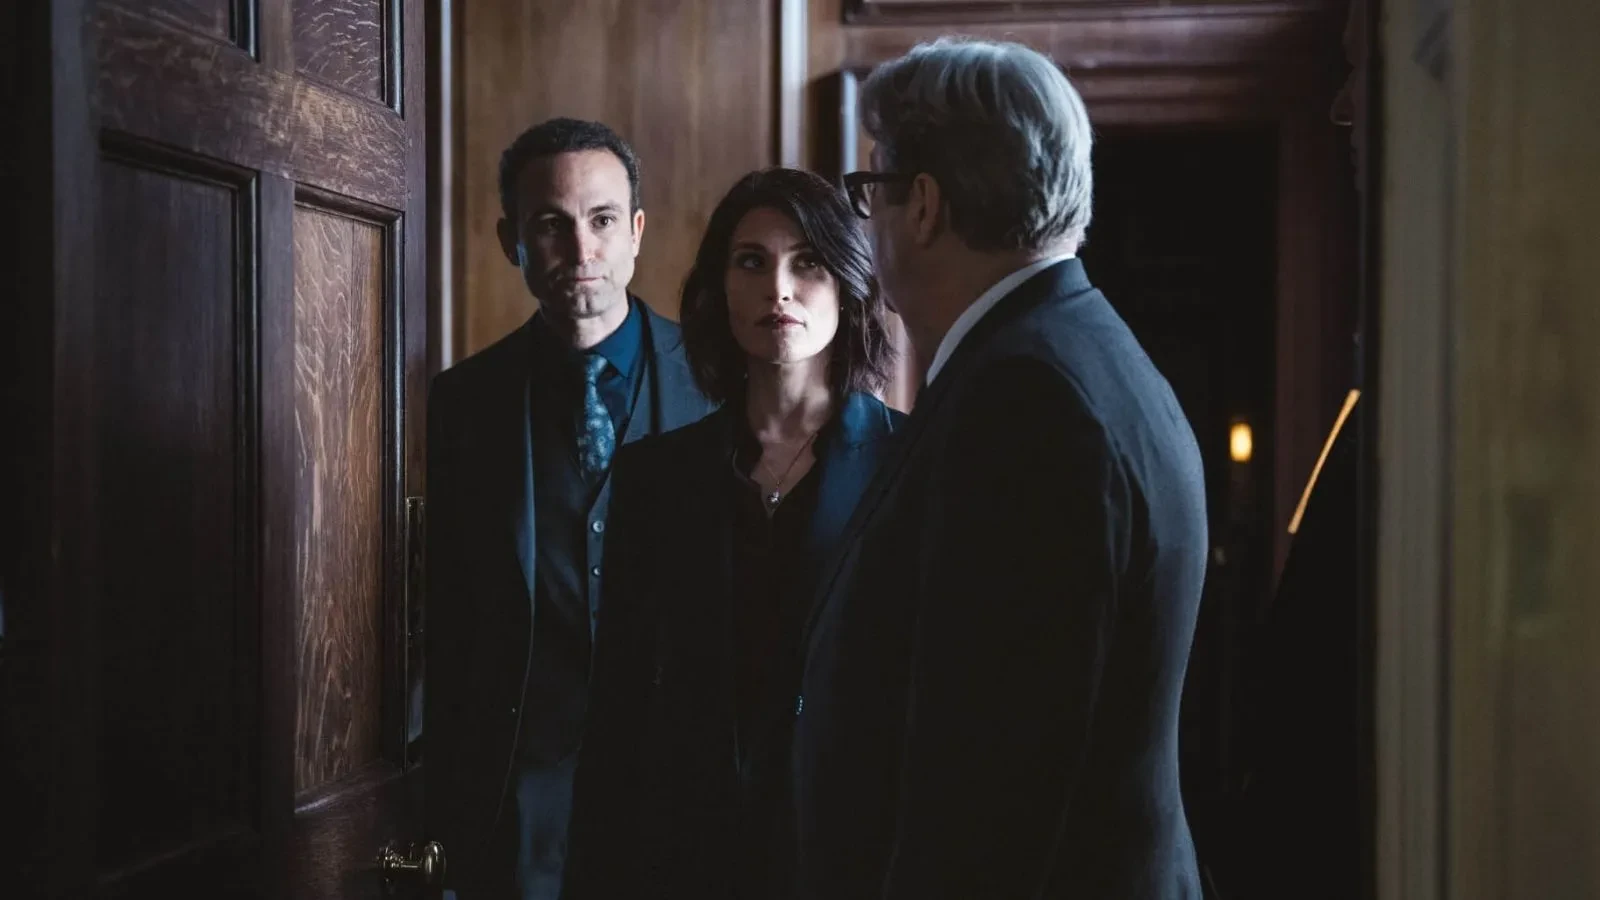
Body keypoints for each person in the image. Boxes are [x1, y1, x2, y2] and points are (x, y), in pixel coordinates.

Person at [794, 39, 1210, 898]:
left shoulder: (1026, 399)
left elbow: (986, 791)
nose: (867, 224)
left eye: (870, 191)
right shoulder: (1082, 351)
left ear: (923, 206)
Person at [563, 168, 904, 900]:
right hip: (688, 858)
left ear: (847, 283)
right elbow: (617, 710)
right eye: (752, 262)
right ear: (720, 288)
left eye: (807, 262)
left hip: (854, 855)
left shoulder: (911, 466)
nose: (779, 289)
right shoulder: (657, 477)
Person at [424, 117, 715, 899]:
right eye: (551, 224)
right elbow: (444, 613)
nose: (582, 249)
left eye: (602, 219)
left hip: (681, 776)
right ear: (511, 241)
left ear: (636, 232)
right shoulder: (461, 403)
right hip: (521, 791)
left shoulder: (719, 379)